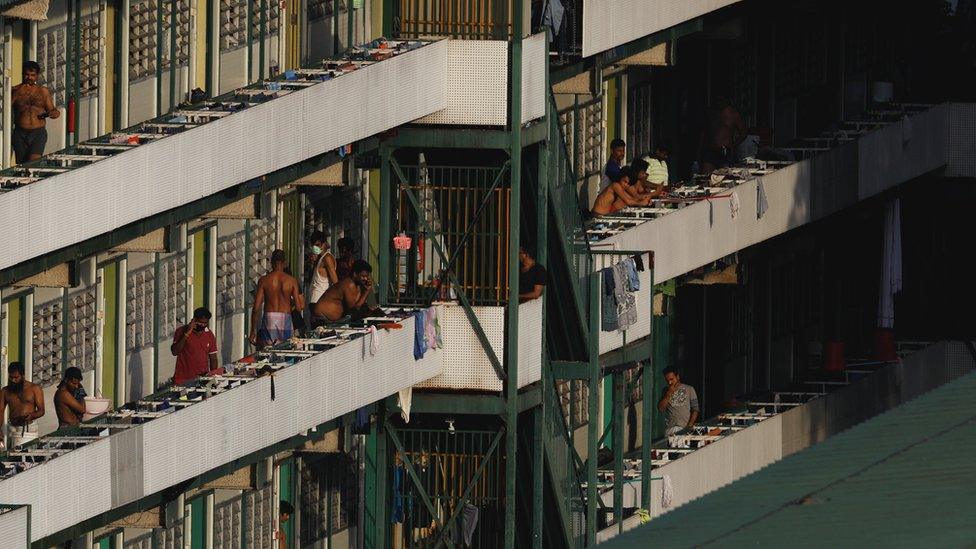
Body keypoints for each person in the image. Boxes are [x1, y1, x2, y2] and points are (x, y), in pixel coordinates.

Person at [250, 249, 305, 348]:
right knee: (286, 351)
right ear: (284, 263)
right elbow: (298, 307)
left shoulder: (264, 280)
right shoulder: (292, 281)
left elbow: (255, 309)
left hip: (269, 318)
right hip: (286, 317)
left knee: (269, 351)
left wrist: (253, 330)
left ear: (271, 262)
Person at [11, 61, 60, 164]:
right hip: (20, 133)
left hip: (38, 132)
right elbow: (5, 108)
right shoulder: (15, 90)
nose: (29, 77)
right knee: (22, 164)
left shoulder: (43, 91)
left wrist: (53, 113)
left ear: (37, 76)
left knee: (34, 161)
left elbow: (53, 110)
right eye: (27, 75)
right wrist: (15, 95)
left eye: (32, 75)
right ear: (23, 74)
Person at [313, 260, 376, 324]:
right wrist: (366, 291)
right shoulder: (349, 284)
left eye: (367, 276)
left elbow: (360, 303)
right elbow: (354, 309)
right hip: (322, 319)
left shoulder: (358, 285)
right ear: (355, 274)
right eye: (363, 276)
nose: (365, 279)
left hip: (330, 320)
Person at [0, 362, 45, 448]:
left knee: (26, 457)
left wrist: (31, 416)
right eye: (11, 377)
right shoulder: (5, 391)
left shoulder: (34, 389)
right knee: (11, 456)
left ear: (23, 375)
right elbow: (1, 411)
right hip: (12, 428)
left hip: (28, 428)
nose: (13, 380)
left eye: (16, 378)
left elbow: (41, 411)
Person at [171, 307, 220, 385]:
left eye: (205, 323)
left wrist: (213, 377)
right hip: (182, 379)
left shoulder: (209, 335)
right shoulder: (181, 331)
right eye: (200, 323)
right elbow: (175, 352)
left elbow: (213, 358)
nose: (202, 325)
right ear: (194, 320)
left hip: (202, 379)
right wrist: (187, 333)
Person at [699, 96, 747, 174]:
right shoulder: (712, 114)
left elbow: (744, 132)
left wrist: (734, 145)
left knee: (724, 177)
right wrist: (700, 151)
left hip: (725, 151)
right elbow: (704, 132)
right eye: (718, 100)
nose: (719, 102)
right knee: (707, 177)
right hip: (711, 150)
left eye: (721, 100)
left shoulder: (733, 114)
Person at [657, 368, 699, 436]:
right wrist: (669, 393)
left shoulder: (689, 389)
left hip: (684, 427)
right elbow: (661, 408)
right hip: (670, 428)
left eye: (671, 379)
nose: (669, 383)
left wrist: (689, 426)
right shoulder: (665, 391)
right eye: (667, 381)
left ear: (677, 377)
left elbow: (695, 409)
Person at [307, 230, 339, 304]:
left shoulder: (327, 258)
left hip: (321, 299)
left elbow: (335, 282)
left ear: (324, 244)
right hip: (314, 298)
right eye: (313, 246)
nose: (315, 248)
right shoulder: (318, 258)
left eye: (318, 245)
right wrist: (312, 262)